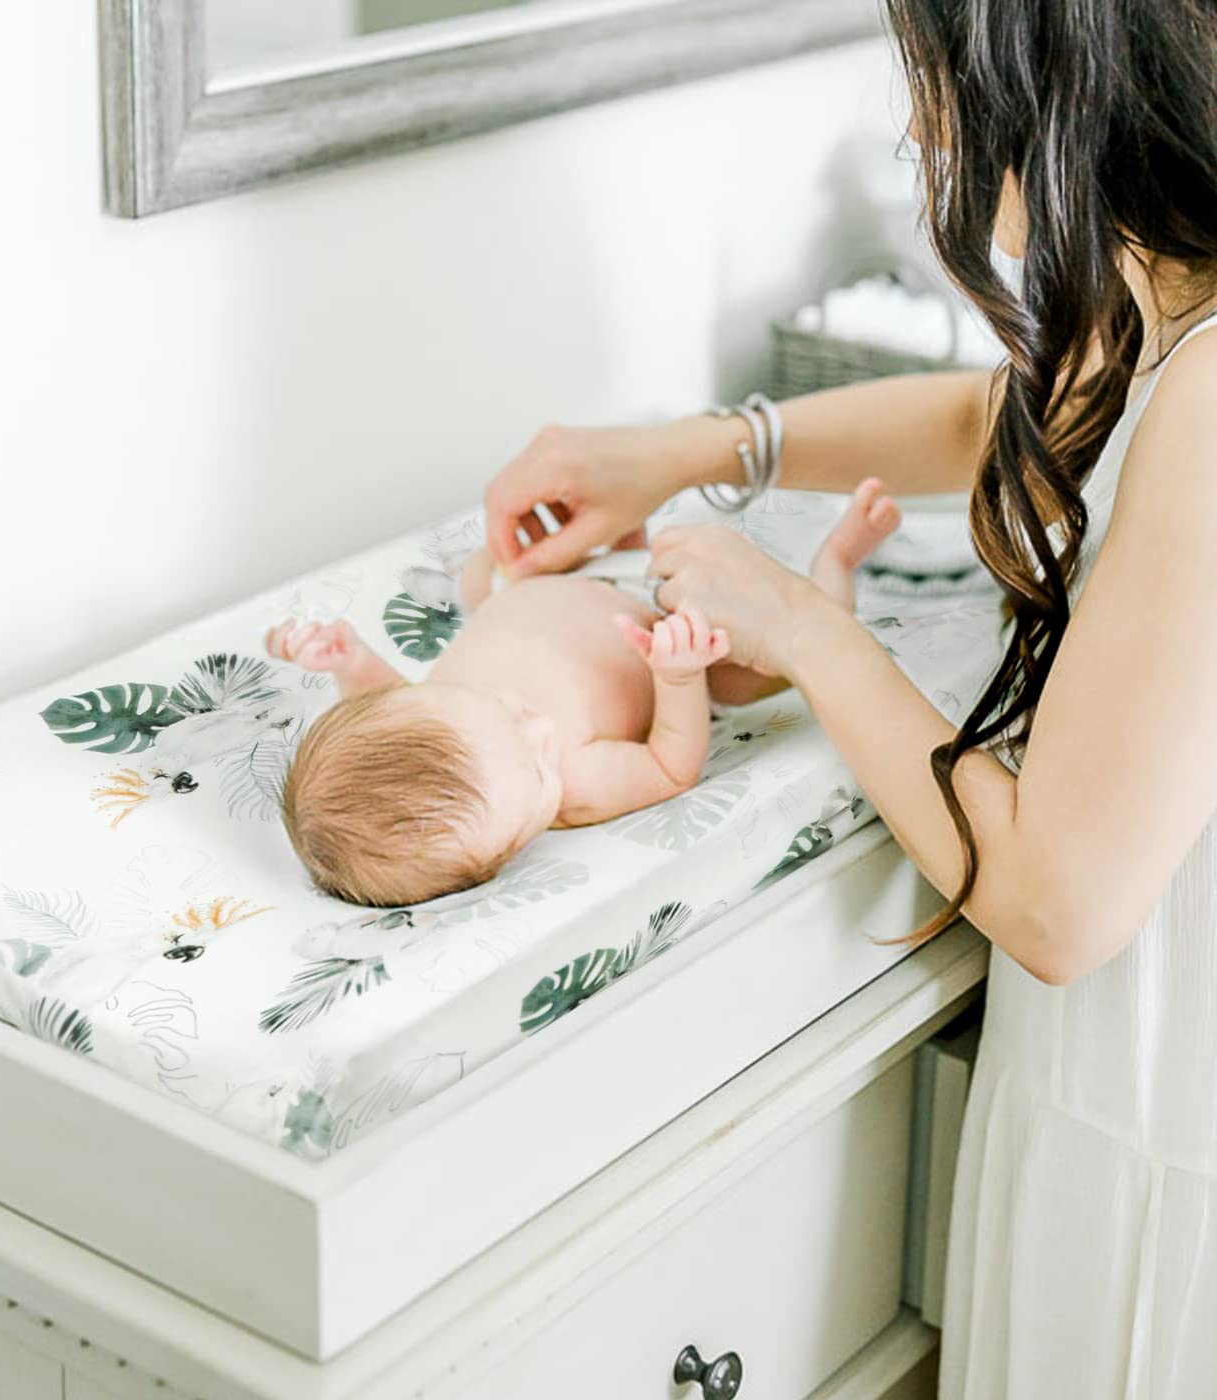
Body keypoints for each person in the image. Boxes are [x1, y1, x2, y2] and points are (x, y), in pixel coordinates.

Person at [482, 1, 1217, 1392]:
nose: (923, 128)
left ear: (1059, 68)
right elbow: (1011, 415)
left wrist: (808, 631)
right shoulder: (1172, 289)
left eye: (935, 77)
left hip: (1162, 1130)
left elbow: (1060, 903)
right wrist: (690, 450)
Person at [266, 480, 900, 906]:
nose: (542, 729)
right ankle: (838, 563)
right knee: (775, 661)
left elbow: (385, 703)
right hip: (665, 631)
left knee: (485, 577)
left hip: (561, 581)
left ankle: (620, 536)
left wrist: (349, 659)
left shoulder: (437, 723)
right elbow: (670, 766)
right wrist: (678, 675)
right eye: (538, 768)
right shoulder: (580, 786)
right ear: (506, 853)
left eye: (507, 711)